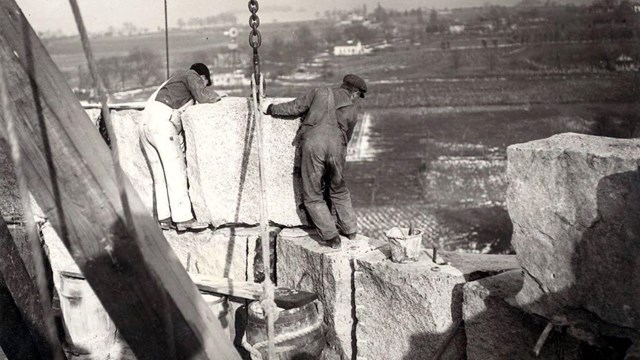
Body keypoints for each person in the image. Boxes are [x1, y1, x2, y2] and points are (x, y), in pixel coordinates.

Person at [265, 74, 367, 249]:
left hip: (314, 145)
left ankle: (331, 237)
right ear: (355, 92)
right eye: (358, 95)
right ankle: (350, 230)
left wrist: (271, 108)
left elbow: (295, 107)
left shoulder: (319, 92)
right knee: (339, 189)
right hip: (337, 149)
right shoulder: (352, 111)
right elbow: (347, 138)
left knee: (312, 194)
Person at [141, 63, 226, 231]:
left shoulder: (171, 82)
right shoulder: (191, 75)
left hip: (145, 125)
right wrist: (218, 96)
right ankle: (183, 218)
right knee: (175, 170)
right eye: (205, 82)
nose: (203, 84)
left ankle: (164, 218)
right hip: (162, 124)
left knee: (160, 175)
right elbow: (202, 96)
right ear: (203, 77)